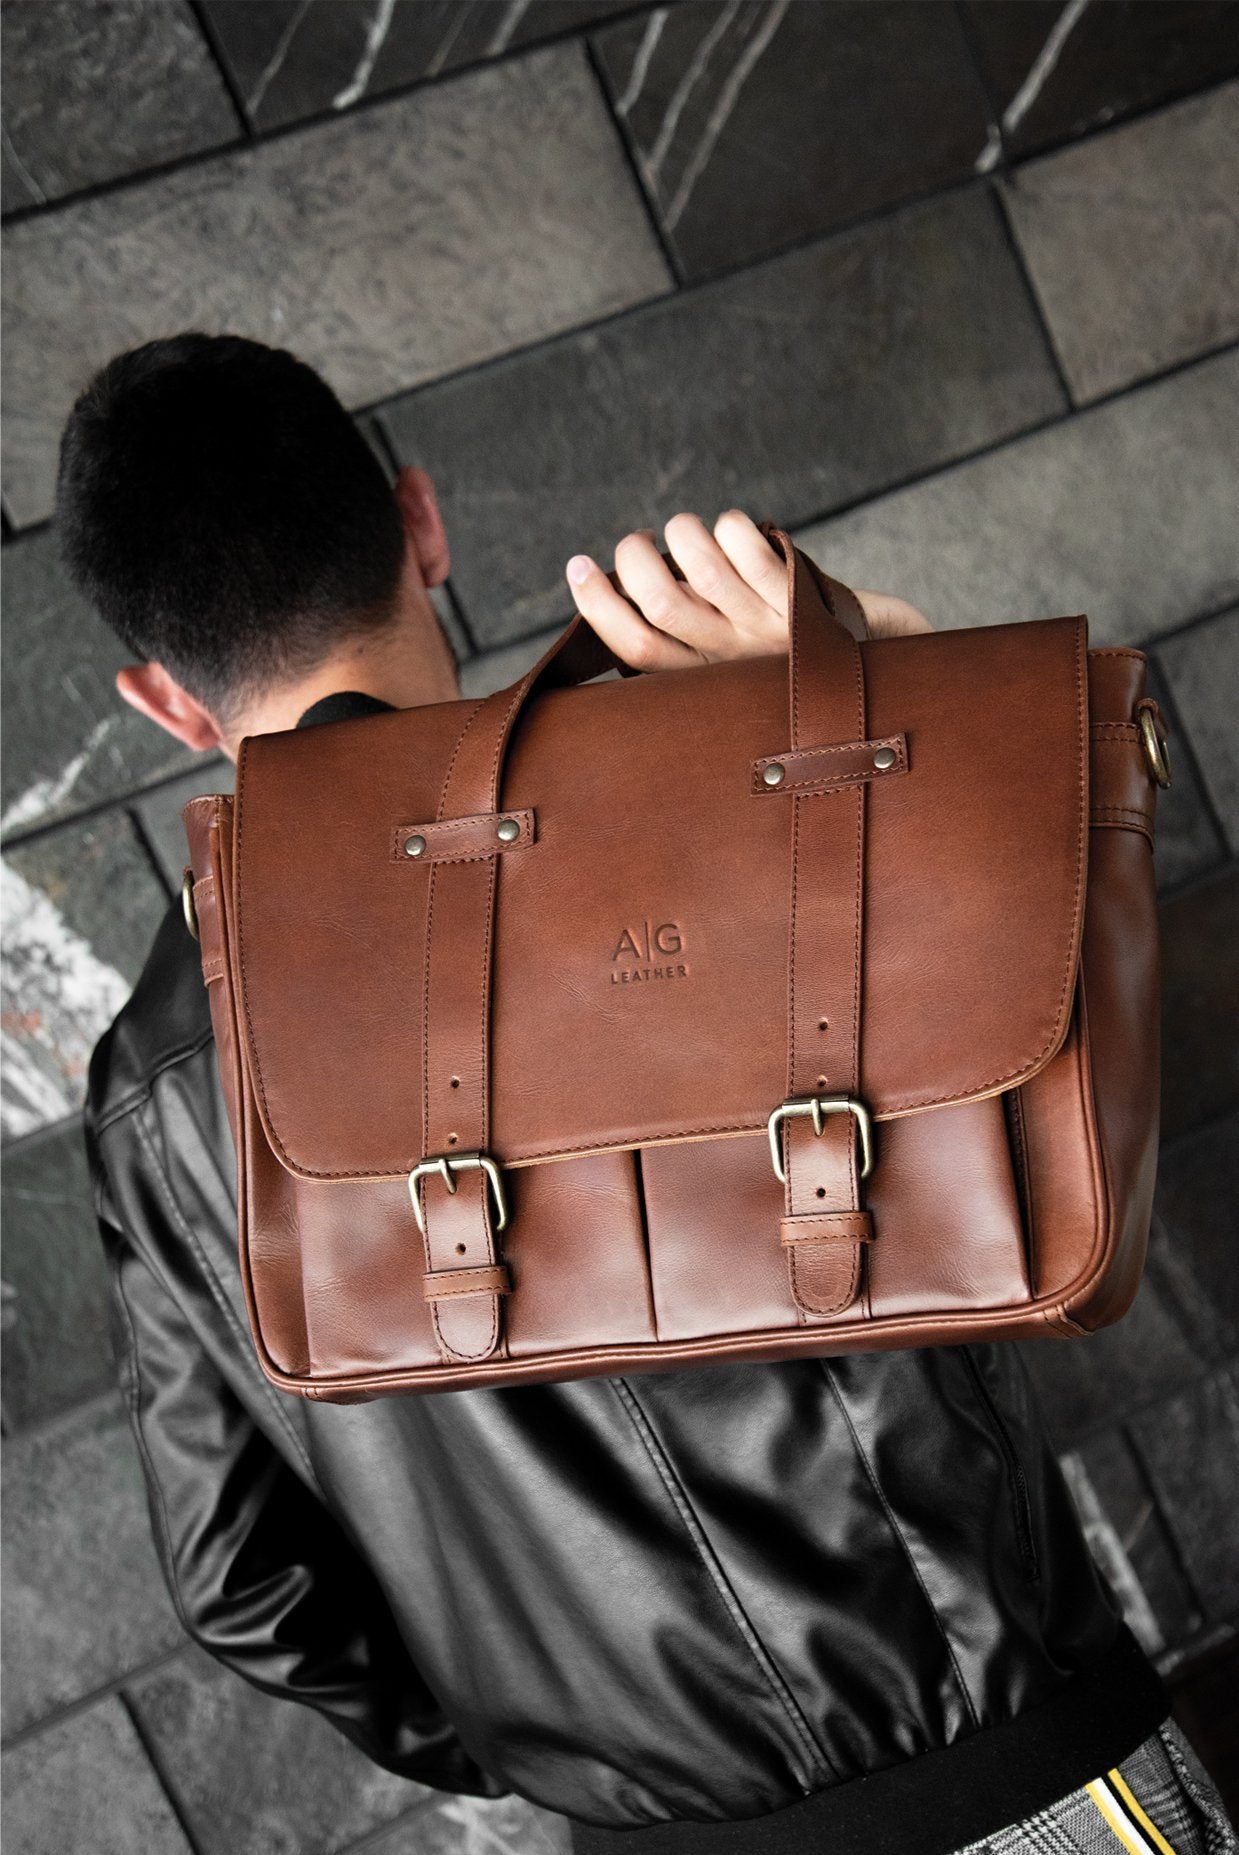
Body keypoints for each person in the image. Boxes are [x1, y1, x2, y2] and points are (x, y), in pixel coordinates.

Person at [69, 334, 1232, 1855]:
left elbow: (247, 1587)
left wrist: (546, 1737)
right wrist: (914, 689)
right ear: (421, 523)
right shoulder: (707, 788)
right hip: (1017, 1777)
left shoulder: (152, 1089)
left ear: (161, 696)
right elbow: (1053, 1156)